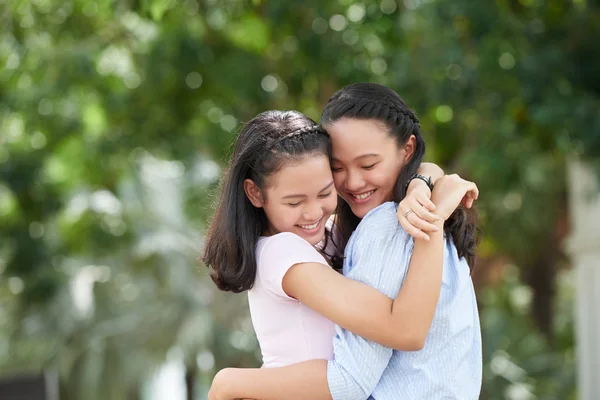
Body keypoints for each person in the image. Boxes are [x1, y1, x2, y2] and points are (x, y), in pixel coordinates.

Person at [207, 83, 482, 400]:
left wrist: (424, 181)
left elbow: (424, 170)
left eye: (325, 192)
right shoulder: (288, 249)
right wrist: (230, 382)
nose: (352, 182)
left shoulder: (348, 232)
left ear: (407, 149)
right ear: (255, 193)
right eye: (338, 168)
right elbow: (396, 337)